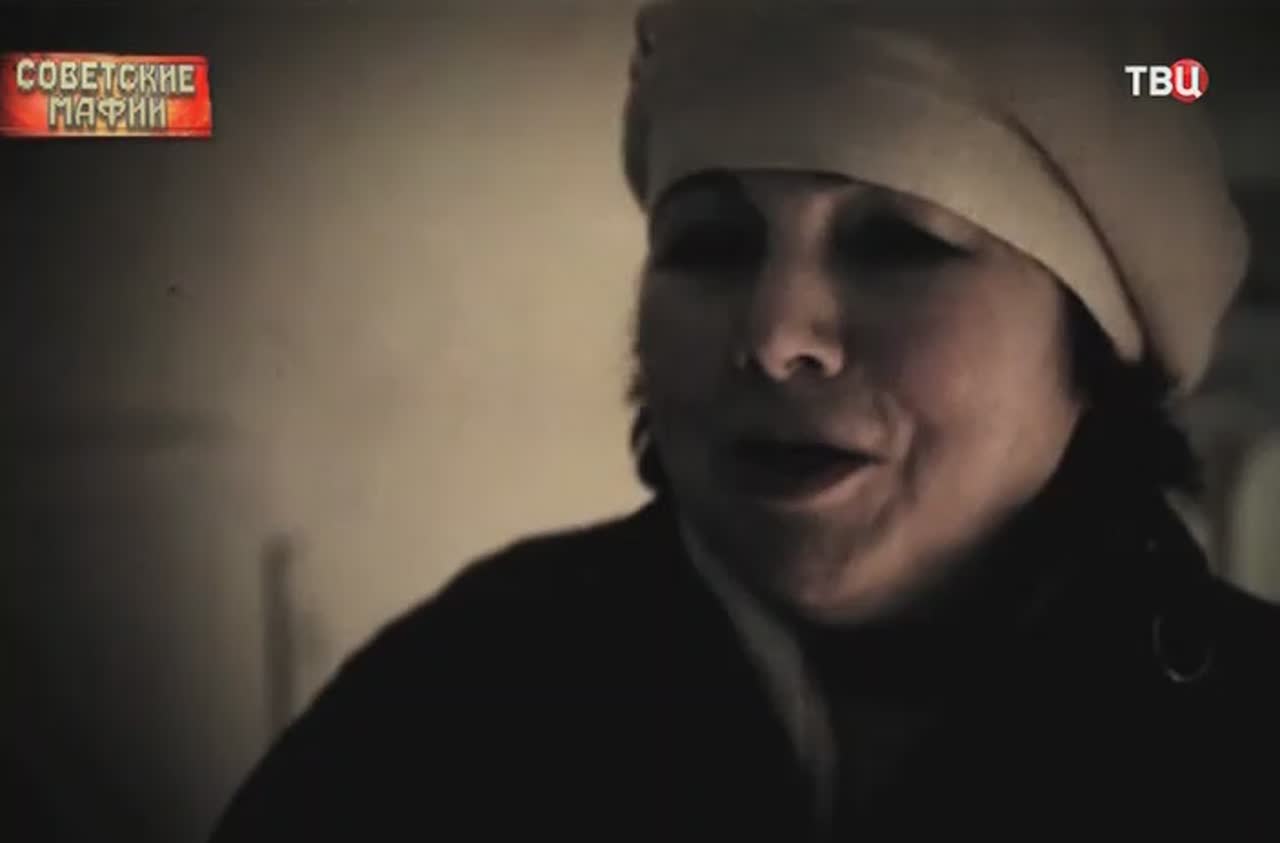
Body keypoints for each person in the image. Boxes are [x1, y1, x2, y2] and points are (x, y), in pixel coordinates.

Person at [209, 1, 1280, 839]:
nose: (774, 335)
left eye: (896, 244)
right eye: (711, 246)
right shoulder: (461, 696)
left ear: (1091, 346)